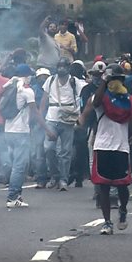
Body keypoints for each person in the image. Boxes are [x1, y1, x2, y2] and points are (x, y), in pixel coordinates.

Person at [81, 65, 132, 234]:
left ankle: (123, 210)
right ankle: (107, 222)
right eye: (112, 80)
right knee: (103, 187)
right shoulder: (101, 98)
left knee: (122, 187)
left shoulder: (130, 100)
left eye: (117, 80)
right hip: (103, 147)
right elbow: (95, 103)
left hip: (121, 148)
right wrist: (104, 83)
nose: (115, 83)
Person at [39, 58, 83, 191]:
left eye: (64, 66)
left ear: (69, 68)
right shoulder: (51, 80)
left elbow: (82, 97)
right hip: (52, 118)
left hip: (68, 119)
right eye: (59, 66)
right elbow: (44, 100)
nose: (61, 69)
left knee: (66, 152)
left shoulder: (74, 82)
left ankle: (63, 180)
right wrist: (41, 116)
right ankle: (55, 175)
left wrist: (80, 117)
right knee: (48, 148)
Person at [4, 65, 43, 209]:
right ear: (26, 75)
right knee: (19, 167)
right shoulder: (27, 91)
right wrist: (46, 129)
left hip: (8, 131)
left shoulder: (9, 88)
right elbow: (35, 112)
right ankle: (13, 197)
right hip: (20, 132)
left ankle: (17, 195)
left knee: (16, 164)